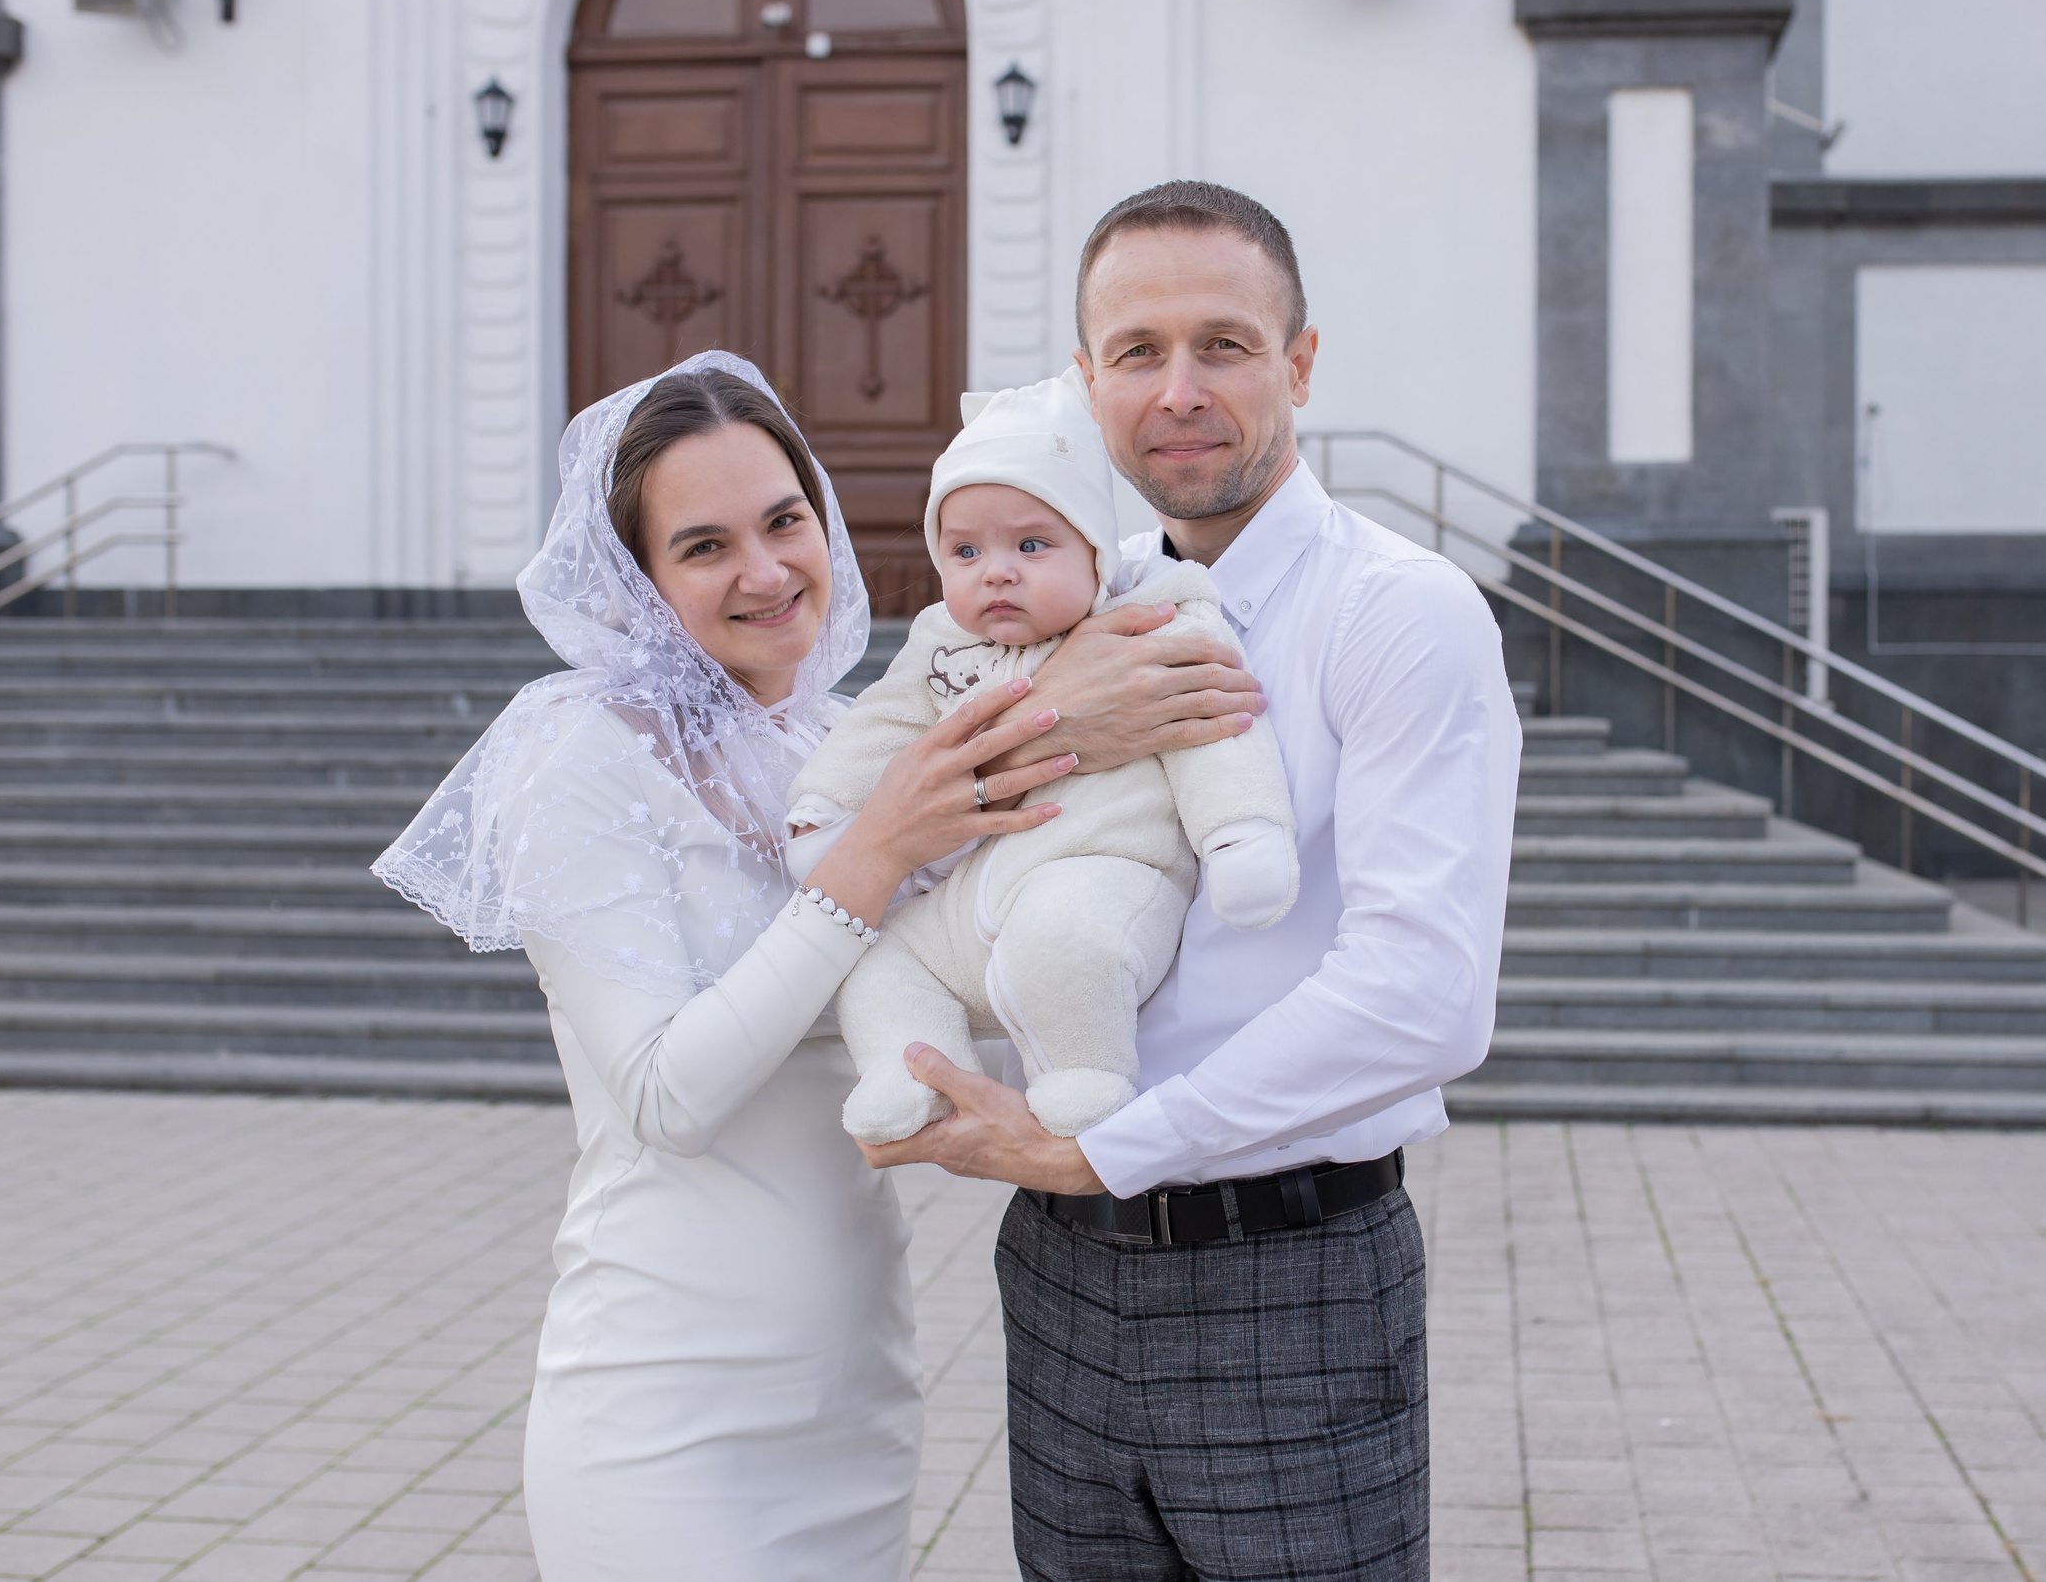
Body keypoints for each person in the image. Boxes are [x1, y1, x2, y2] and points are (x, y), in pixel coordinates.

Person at [370, 349, 1263, 1582]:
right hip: (668, 1401)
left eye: (785, 520)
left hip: (857, 1378)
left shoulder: (845, 737)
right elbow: (663, 1099)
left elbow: (978, 974)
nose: (768, 570)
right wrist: (882, 846)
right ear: (633, 577)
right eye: (703, 546)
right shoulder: (578, 759)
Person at [863, 183, 1523, 1579]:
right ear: (1086, 380)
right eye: (1136, 350)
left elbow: (1426, 995)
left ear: (1300, 361)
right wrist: (1053, 722)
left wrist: (1108, 1147)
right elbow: (892, 821)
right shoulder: (1046, 599)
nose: (1179, 390)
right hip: (1056, 1267)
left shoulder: (1398, 610)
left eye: (1224, 343)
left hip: (1288, 1277)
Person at [787, 369, 1297, 1145]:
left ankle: (1082, 1072)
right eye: (964, 550)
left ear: (1095, 551)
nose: (996, 570)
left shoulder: (1152, 619)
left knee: (1065, 937)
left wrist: (1242, 831)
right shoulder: (941, 644)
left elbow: (1217, 723)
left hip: (1100, 869)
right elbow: (880, 726)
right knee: (877, 957)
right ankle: (910, 1071)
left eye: (1031, 544)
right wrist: (825, 808)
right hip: (968, 910)